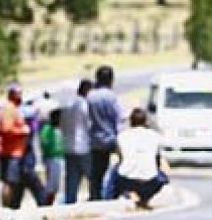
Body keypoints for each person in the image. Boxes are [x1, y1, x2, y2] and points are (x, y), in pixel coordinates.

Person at [106, 108, 169, 209]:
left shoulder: (122, 136)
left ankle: (110, 200)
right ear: (145, 121)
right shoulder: (155, 136)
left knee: (114, 172)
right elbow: (157, 158)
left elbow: (121, 157)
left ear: (131, 121)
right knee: (162, 178)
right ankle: (145, 198)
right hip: (150, 179)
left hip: (127, 179)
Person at [87, 65, 124, 201]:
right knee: (116, 169)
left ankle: (95, 196)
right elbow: (119, 118)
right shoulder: (112, 97)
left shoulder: (91, 97)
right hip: (111, 139)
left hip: (95, 140)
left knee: (96, 172)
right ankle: (111, 194)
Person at [0, 83, 30, 209]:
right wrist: (23, 131)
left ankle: (13, 207)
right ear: (12, 95)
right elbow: (6, 129)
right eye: (18, 94)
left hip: (15, 152)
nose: (21, 97)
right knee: (9, 182)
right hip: (10, 152)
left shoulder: (13, 109)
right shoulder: (9, 109)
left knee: (15, 182)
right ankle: (6, 208)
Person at [61, 79, 92, 204]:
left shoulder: (67, 105)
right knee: (93, 177)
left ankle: (70, 203)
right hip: (83, 147)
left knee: (71, 181)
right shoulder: (84, 105)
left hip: (68, 146)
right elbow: (89, 124)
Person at [39, 108, 64, 205]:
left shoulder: (60, 128)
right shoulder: (47, 128)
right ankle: (47, 202)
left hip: (60, 157)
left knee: (57, 183)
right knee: (52, 183)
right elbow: (44, 143)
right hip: (51, 158)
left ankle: (51, 201)